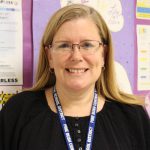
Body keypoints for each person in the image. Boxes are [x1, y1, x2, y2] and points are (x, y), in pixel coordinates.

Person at [0, 4, 149, 150]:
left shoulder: (133, 117)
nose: (76, 56)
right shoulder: (17, 112)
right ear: (50, 56)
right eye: (64, 45)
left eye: (87, 45)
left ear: (104, 54)